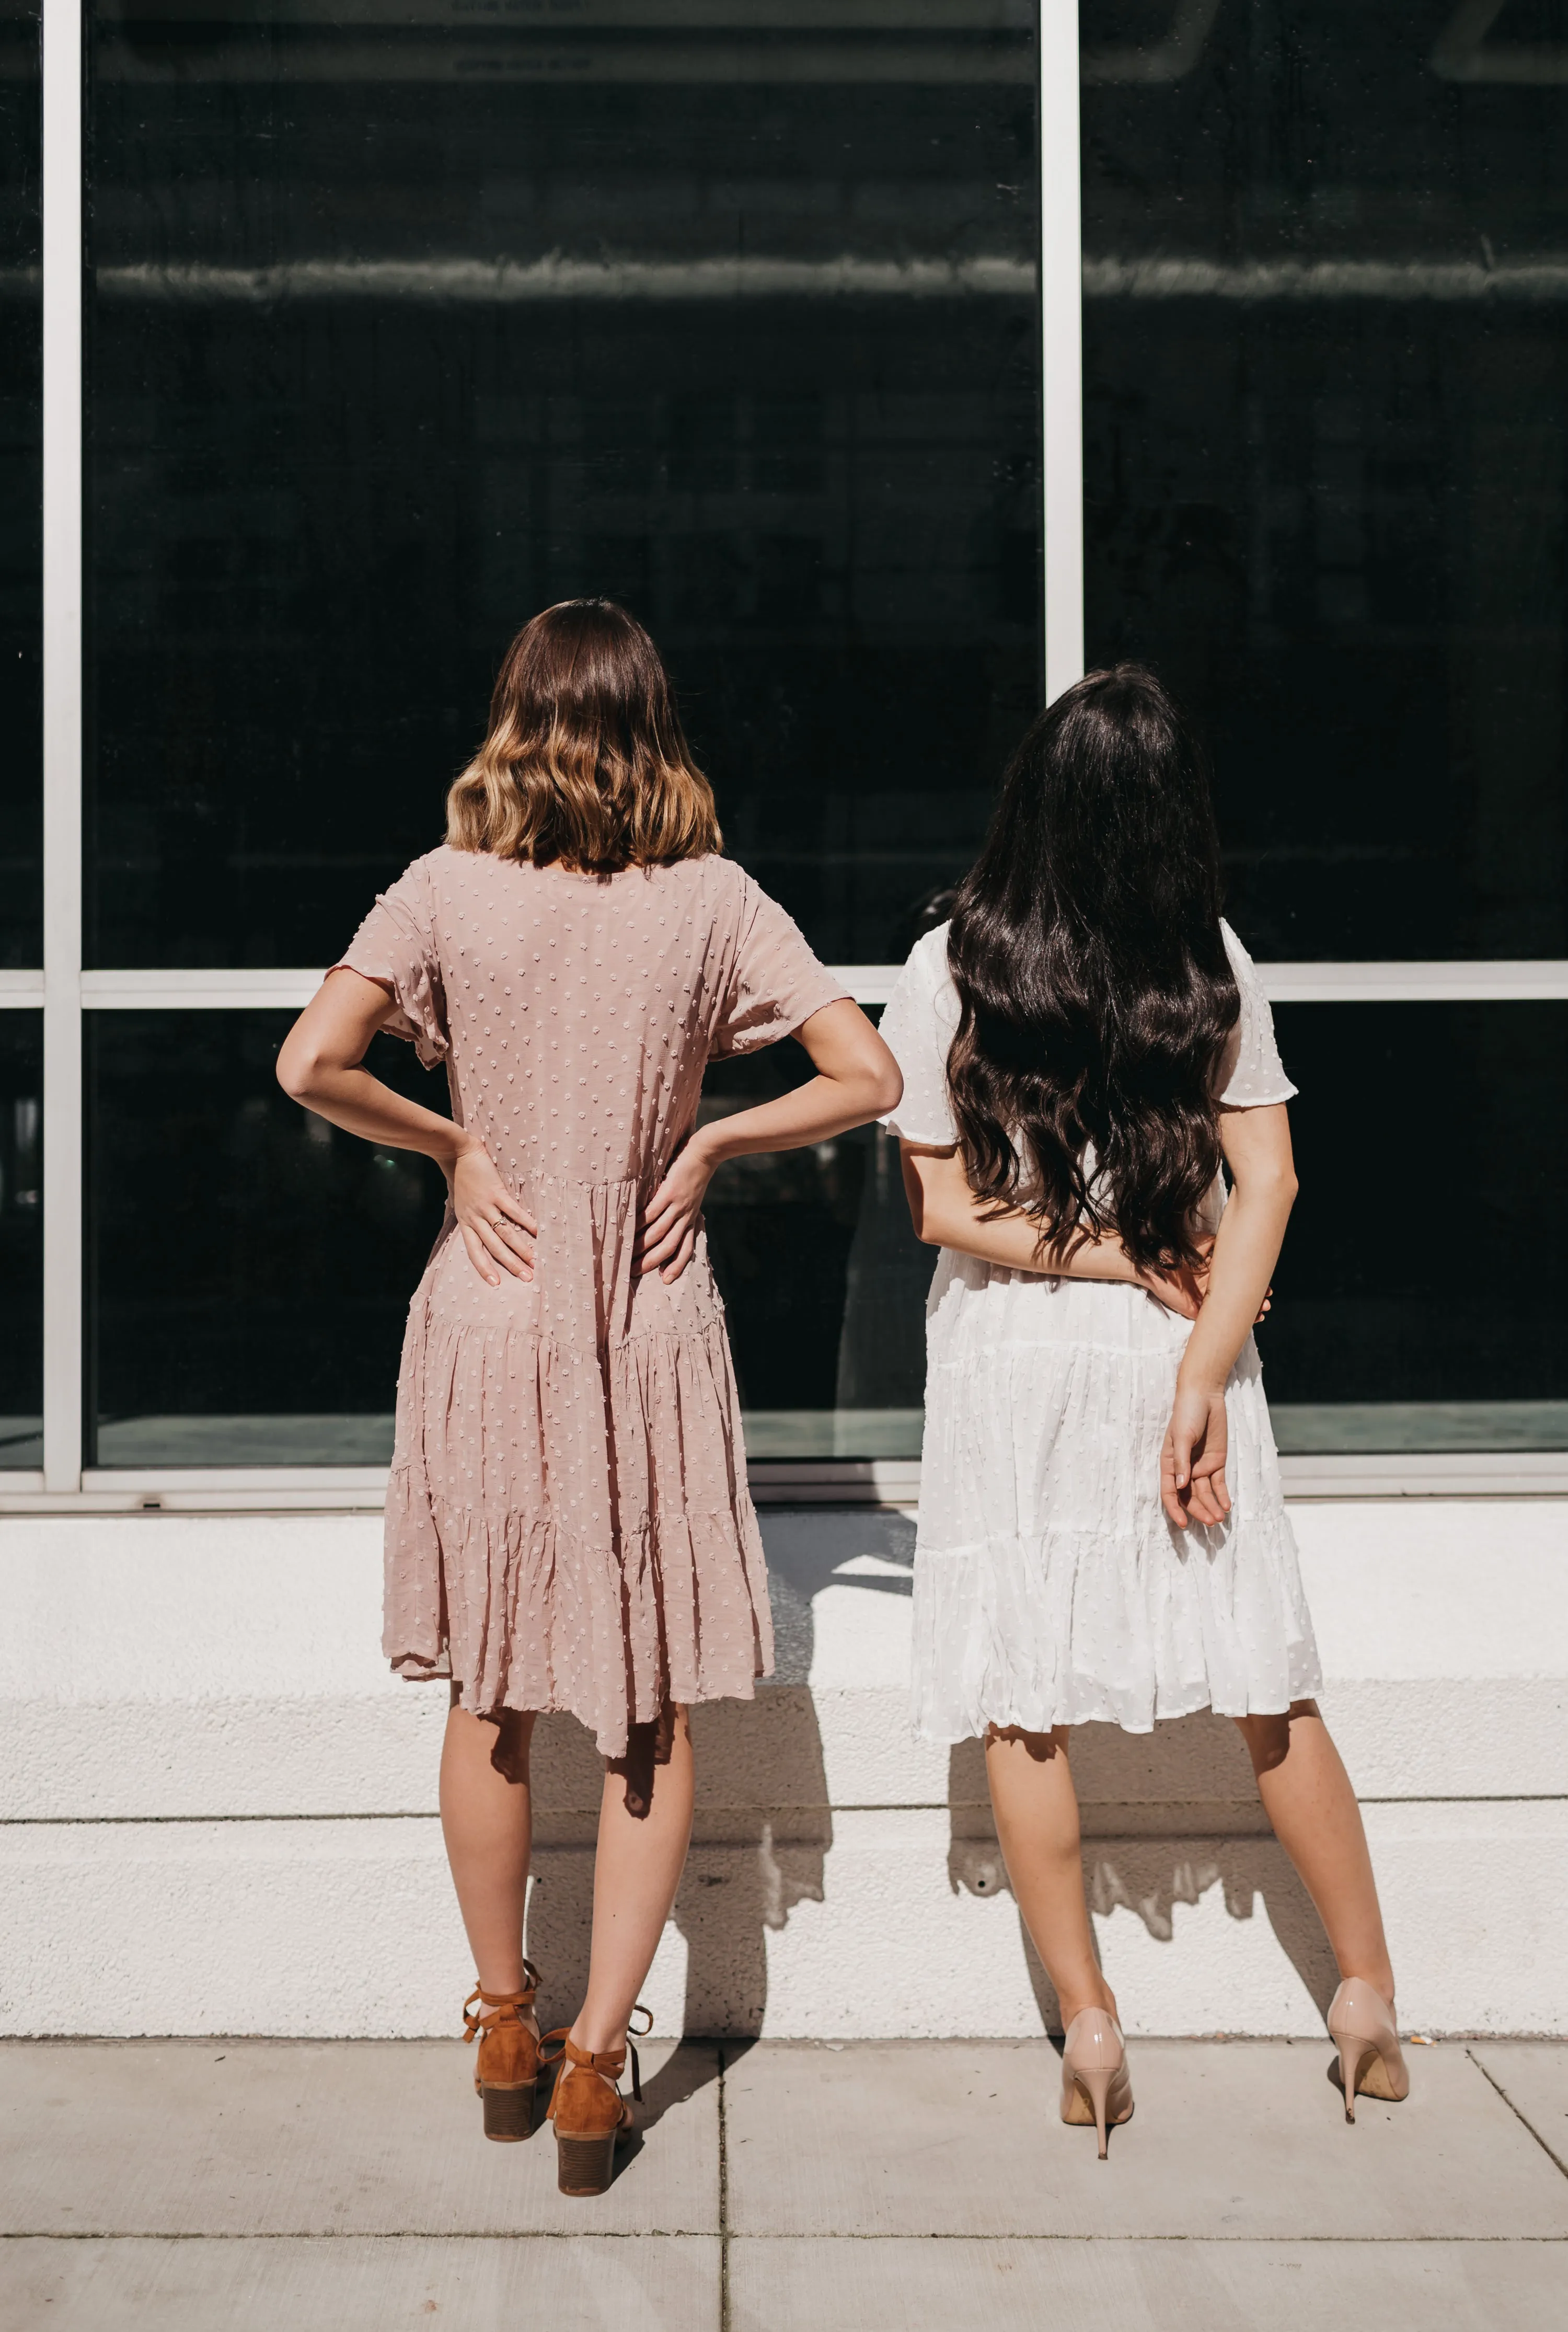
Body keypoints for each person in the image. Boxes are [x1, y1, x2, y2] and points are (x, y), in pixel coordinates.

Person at [277, 600, 900, 2195]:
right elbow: (871, 1075)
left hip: (489, 1314)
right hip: (643, 1317)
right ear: (651, 724)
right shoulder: (713, 901)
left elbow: (311, 1062)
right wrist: (708, 1144)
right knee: (647, 1702)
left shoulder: (441, 891)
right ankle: (597, 2053)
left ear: (516, 721)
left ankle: (502, 2016)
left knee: (487, 1681)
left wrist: (455, 1146)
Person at [877, 667, 1406, 2157]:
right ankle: (1366, 1996)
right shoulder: (1210, 954)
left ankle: (1092, 2021)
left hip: (1013, 1357)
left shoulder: (948, 962)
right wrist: (1196, 1369)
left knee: (1022, 1691)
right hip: (1178, 1336)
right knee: (1269, 1679)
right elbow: (1275, 1179)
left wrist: (1091, 1249)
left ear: (1032, 795)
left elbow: (932, 1199)